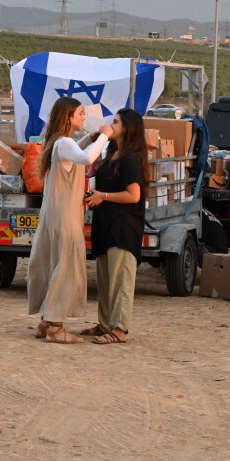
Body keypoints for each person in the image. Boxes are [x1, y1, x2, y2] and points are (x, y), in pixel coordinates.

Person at [27, 97, 112, 344]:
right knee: (66, 267)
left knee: (55, 264)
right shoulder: (63, 143)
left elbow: (78, 152)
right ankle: (55, 326)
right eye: (80, 113)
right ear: (68, 116)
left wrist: (90, 139)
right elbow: (86, 159)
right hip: (64, 215)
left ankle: (47, 321)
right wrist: (105, 135)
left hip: (56, 213)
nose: (84, 118)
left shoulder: (59, 142)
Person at [82, 108, 149, 344]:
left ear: (128, 128)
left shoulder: (131, 159)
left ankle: (119, 328)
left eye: (116, 122)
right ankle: (105, 323)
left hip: (122, 226)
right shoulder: (111, 152)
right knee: (104, 277)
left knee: (121, 279)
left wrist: (104, 196)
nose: (112, 124)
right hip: (104, 224)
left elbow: (133, 195)